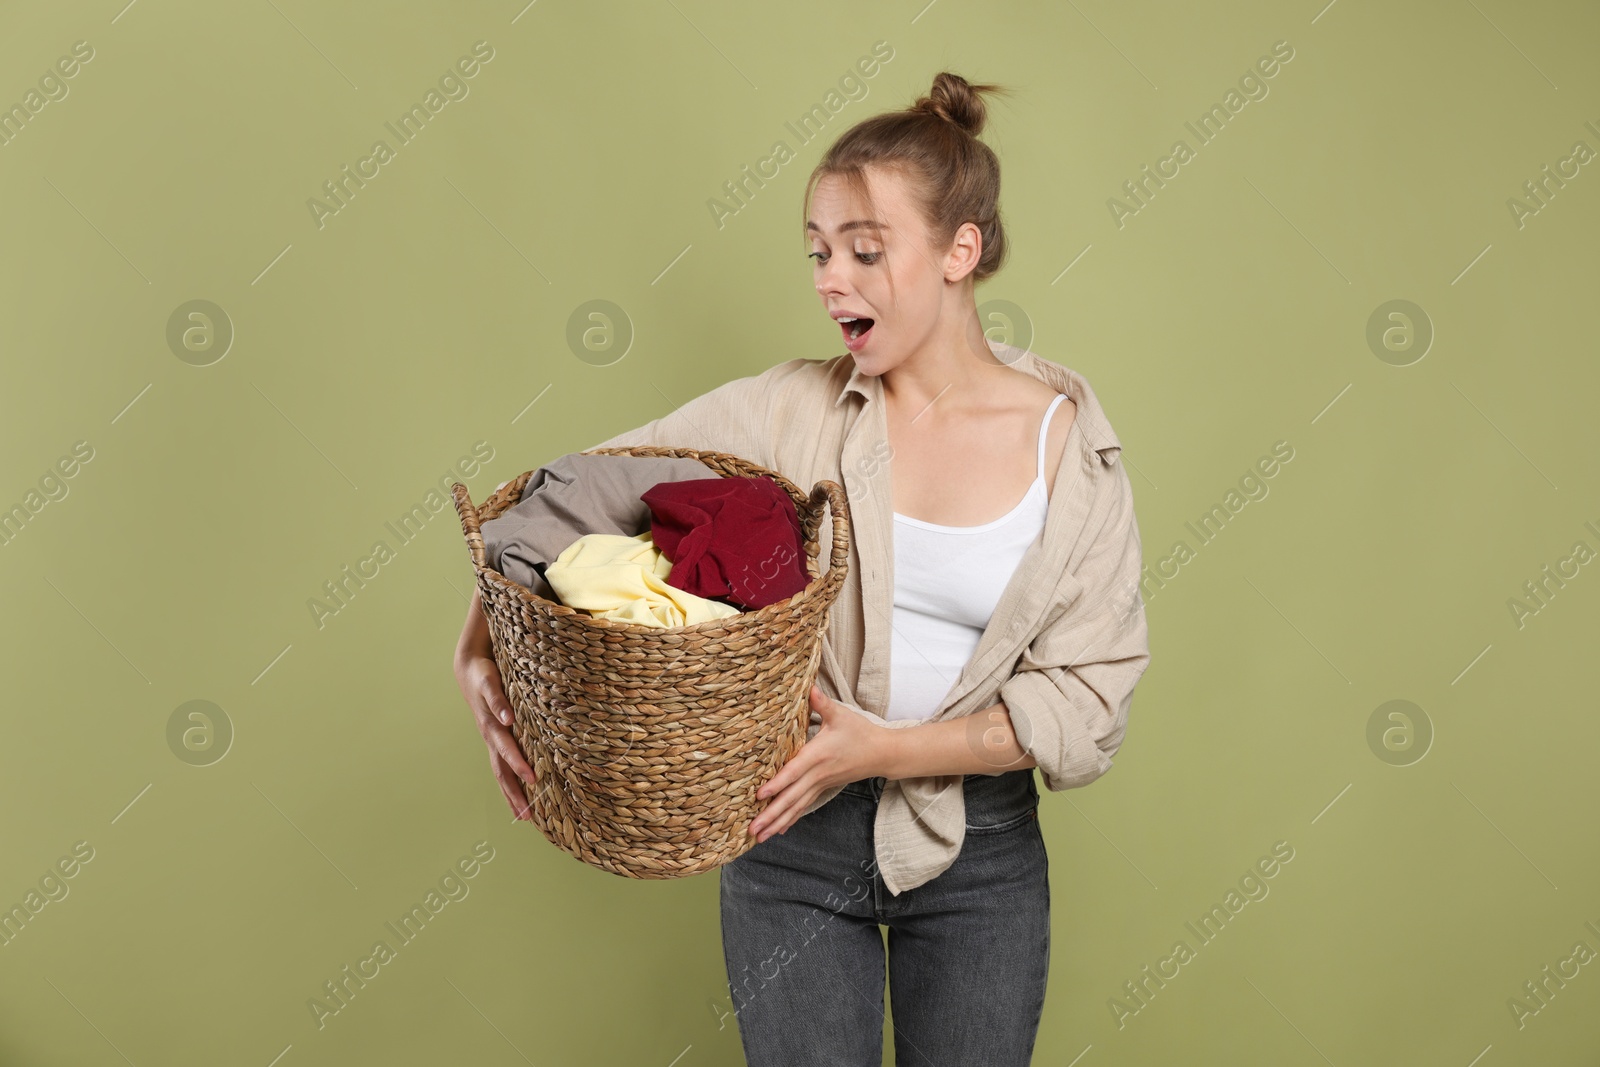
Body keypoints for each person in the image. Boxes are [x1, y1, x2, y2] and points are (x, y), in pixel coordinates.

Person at [453, 71, 1151, 1066]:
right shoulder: (791, 408)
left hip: (977, 853)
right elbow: (565, 495)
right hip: (788, 835)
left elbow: (1088, 703)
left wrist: (881, 750)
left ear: (963, 251)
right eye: (820, 251)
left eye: (866, 251)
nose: (830, 278)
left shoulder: (1070, 450)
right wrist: (475, 650)